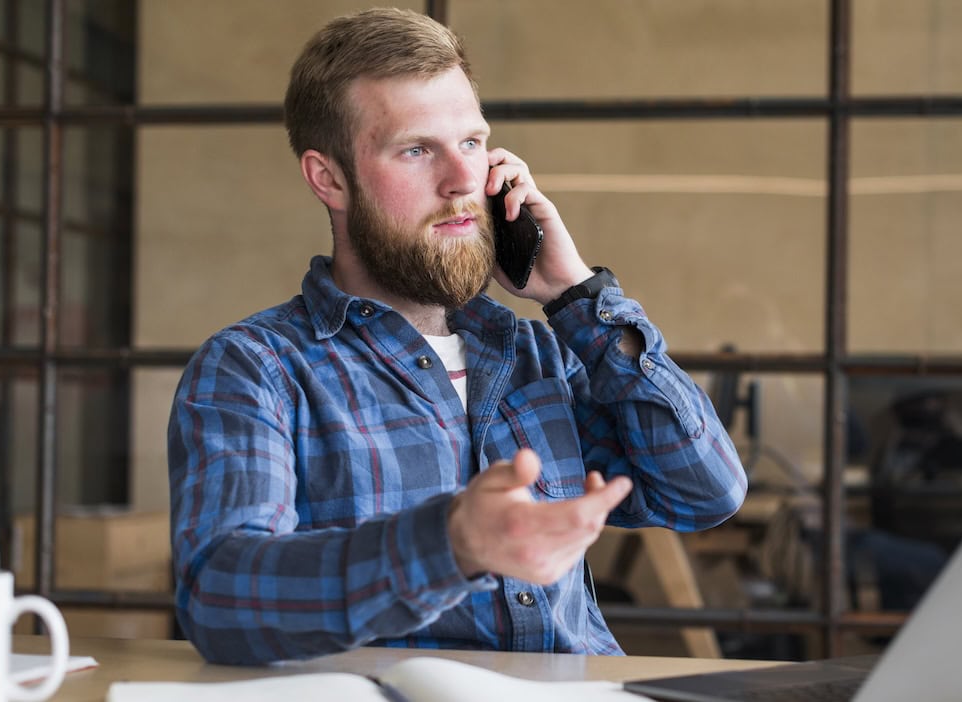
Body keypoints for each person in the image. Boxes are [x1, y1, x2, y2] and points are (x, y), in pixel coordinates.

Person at [167, 7, 747, 666]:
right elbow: (219, 595)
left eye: (472, 143)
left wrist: (577, 296)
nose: (461, 180)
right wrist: (451, 546)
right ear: (327, 178)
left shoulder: (540, 354)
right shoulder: (255, 368)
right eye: (416, 150)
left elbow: (705, 493)